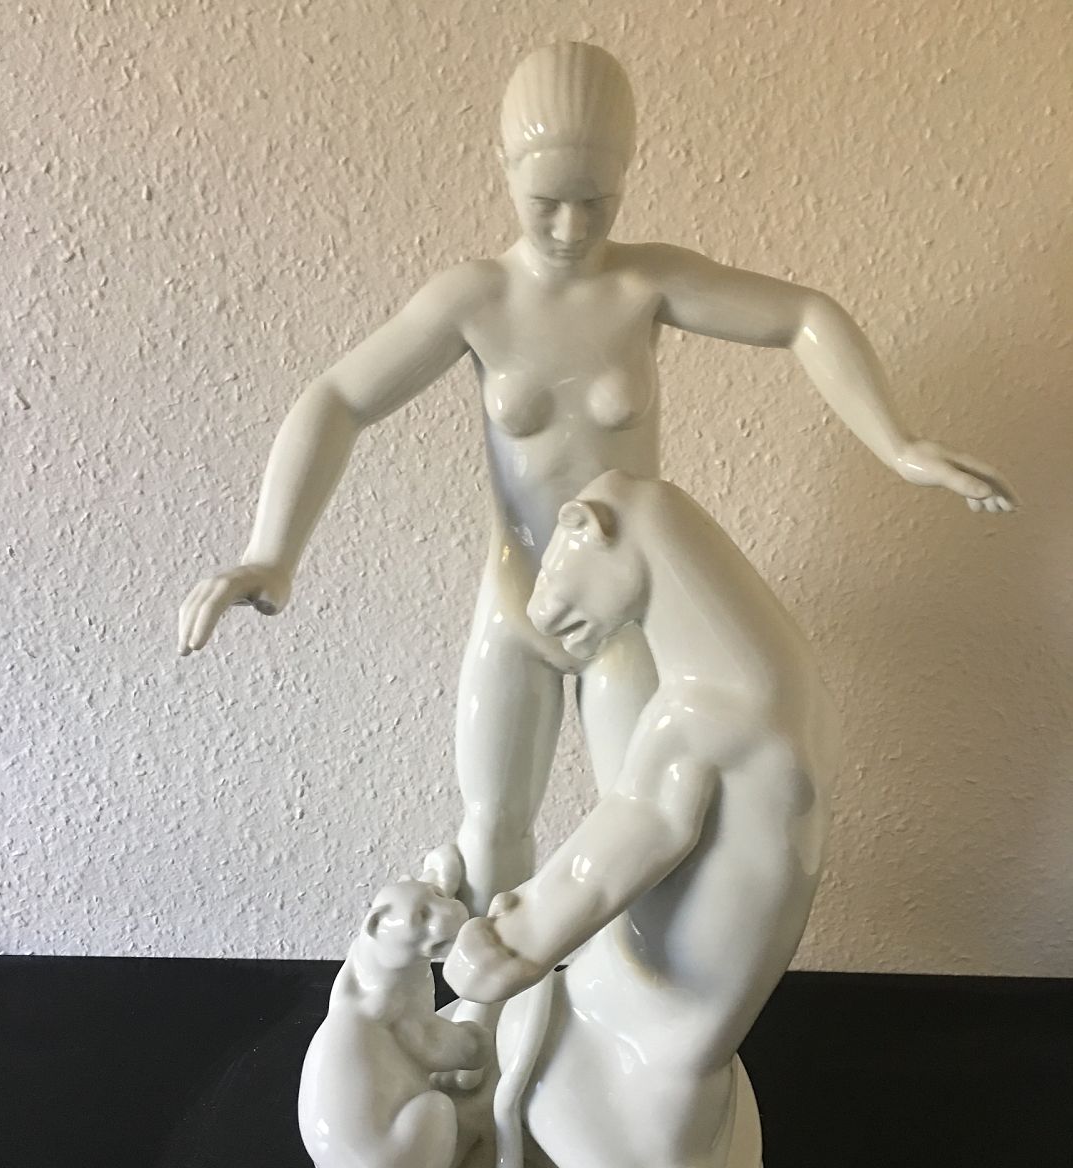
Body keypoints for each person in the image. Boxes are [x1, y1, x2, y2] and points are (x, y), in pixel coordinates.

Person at [178, 40, 1014, 919]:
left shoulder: (644, 283)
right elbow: (340, 398)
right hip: (516, 600)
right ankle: (500, 997)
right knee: (494, 825)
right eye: (547, 203)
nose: (573, 229)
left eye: (597, 202)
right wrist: (272, 552)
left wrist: (899, 444)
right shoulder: (476, 298)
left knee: (643, 825)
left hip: (625, 616)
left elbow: (803, 315)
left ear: (626, 176)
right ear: (504, 167)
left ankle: (618, 999)